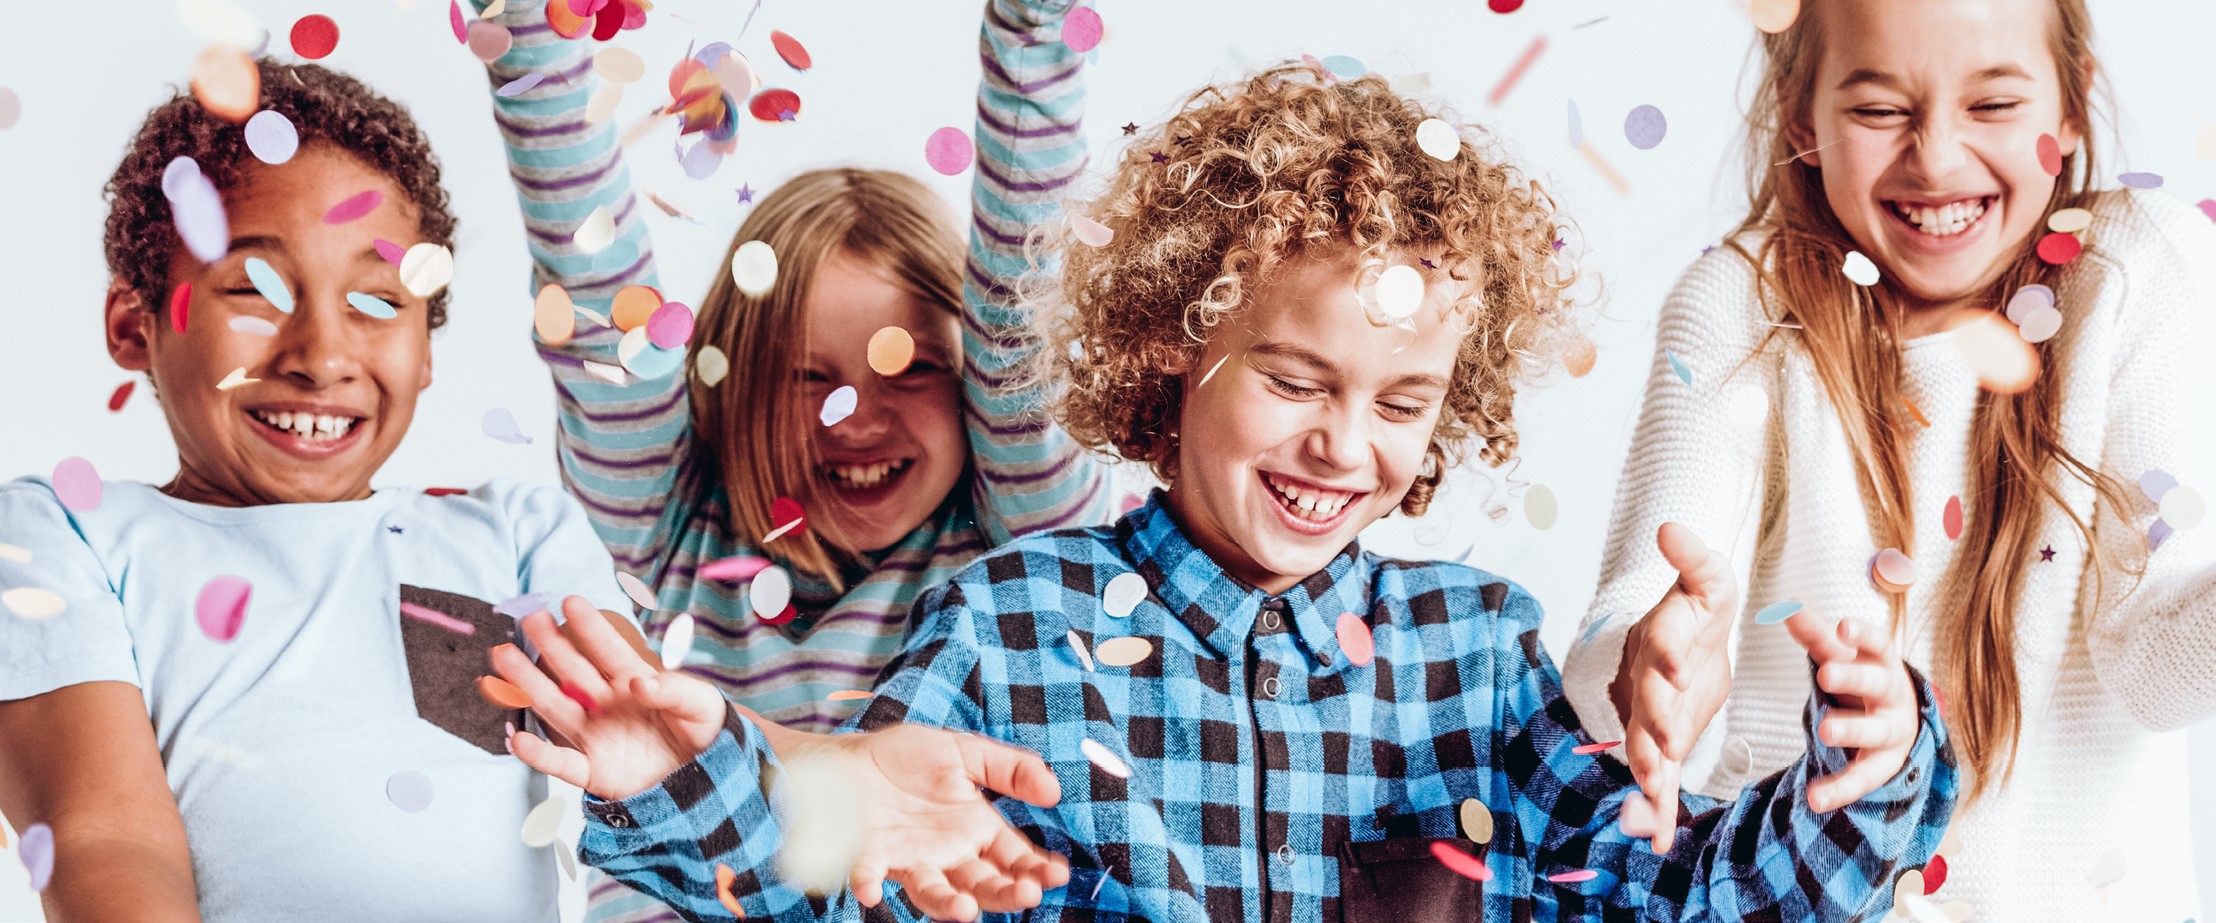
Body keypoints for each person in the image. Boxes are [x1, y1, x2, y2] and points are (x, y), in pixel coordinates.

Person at [491, 62, 1958, 922]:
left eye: (1401, 400)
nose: (1343, 443)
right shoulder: (1004, 629)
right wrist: (689, 780)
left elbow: (1669, 895)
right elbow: (858, 859)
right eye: (1297, 379)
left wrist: (1866, 769)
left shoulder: (1474, 656)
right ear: (1168, 344)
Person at [1559, 0, 2216, 919]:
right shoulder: (1741, 305)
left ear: (2070, 108)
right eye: (1878, 111)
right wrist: (1649, 666)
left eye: (1992, 106)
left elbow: (2153, 661)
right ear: (1803, 116)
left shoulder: (2141, 266)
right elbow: (1623, 628)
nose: (1938, 157)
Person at [0, 59, 637, 921]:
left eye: (378, 303)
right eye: (253, 293)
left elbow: (656, 752)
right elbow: (107, 837)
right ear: (132, 323)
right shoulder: (66, 532)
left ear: (427, 348)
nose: (322, 355)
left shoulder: (515, 534)